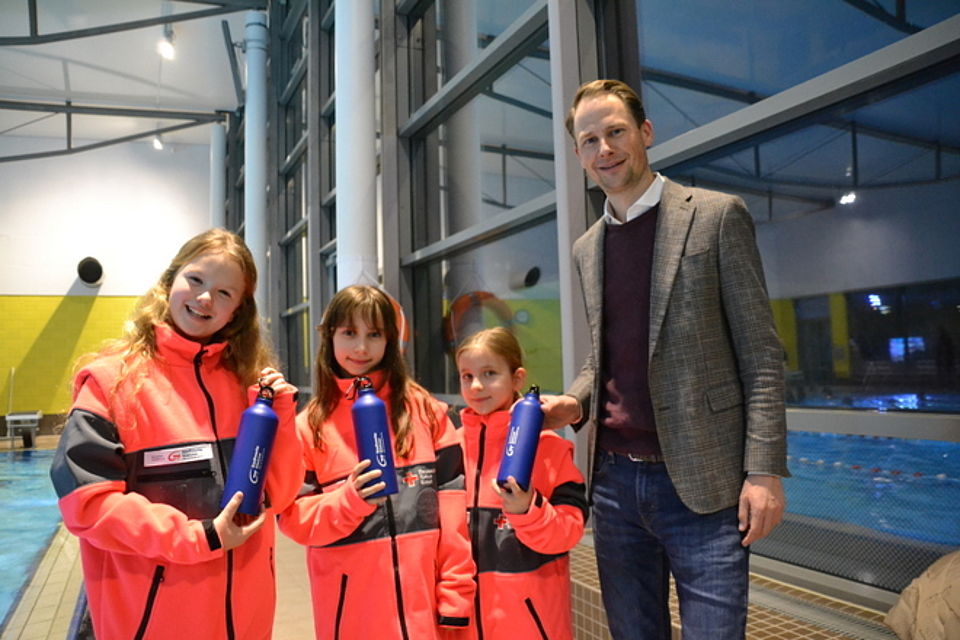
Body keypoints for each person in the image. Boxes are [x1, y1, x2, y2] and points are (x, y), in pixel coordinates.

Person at [539, 79, 790, 639]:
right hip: (615, 488)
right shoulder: (588, 248)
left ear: (645, 132)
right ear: (579, 156)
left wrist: (764, 470)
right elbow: (603, 359)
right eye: (589, 140)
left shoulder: (717, 216)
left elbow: (763, 355)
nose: (604, 148)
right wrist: (571, 403)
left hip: (703, 486)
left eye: (616, 132)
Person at [50, 228, 303, 639]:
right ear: (170, 282)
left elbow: (282, 492)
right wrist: (197, 537)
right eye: (196, 280)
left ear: (238, 311)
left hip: (248, 617)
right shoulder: (110, 382)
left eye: (224, 293)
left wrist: (283, 416)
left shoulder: (247, 386)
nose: (205, 298)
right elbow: (87, 505)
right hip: (151, 621)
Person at [277, 285, 475, 639]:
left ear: (390, 340)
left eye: (374, 334)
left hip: (426, 613)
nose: (361, 348)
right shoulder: (309, 428)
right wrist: (348, 501)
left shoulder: (426, 411)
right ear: (329, 337)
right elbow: (294, 520)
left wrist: (455, 593)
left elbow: (454, 511)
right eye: (349, 333)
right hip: (352, 618)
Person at [455, 327, 587, 640]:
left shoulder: (549, 448)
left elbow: (569, 533)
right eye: (466, 375)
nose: (476, 386)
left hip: (530, 623)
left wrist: (529, 510)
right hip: (462, 624)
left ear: (517, 378)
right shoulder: (450, 449)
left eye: (489, 373)